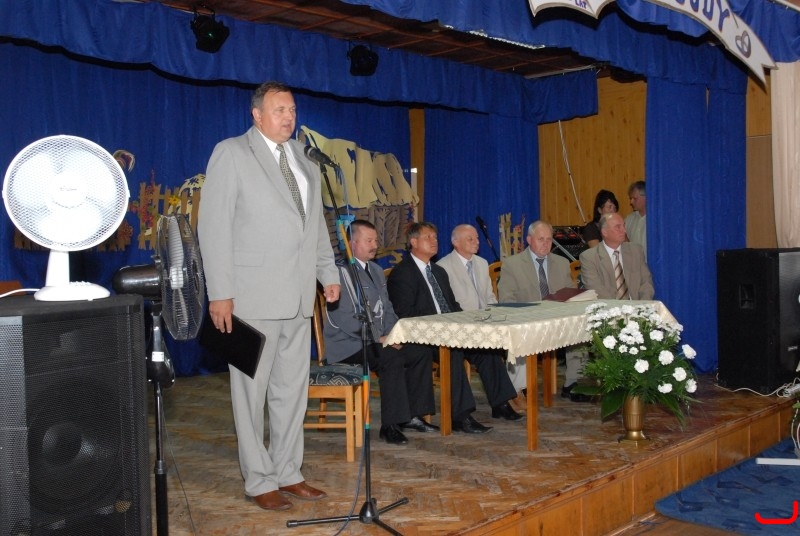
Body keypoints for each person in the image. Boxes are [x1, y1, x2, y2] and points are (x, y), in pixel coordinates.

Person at [198, 81, 341, 512]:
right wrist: (220, 293)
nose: (288, 117)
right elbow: (214, 227)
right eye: (279, 110)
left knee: (291, 392)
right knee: (251, 394)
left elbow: (315, 227)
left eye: (292, 110)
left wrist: (327, 272)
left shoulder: (305, 159)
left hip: (298, 297)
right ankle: (259, 479)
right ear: (257, 115)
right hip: (250, 298)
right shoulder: (231, 153)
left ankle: (288, 471)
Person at [323, 220, 437, 445]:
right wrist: (379, 338)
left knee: (420, 352)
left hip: (377, 341)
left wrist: (395, 334)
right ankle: (391, 425)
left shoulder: (375, 270)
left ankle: (412, 416)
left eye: (375, 240)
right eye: (369, 241)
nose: (375, 245)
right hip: (349, 345)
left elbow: (388, 309)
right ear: (352, 243)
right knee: (391, 357)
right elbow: (344, 319)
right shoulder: (339, 273)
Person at [387, 221, 498, 433]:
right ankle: (461, 417)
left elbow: (452, 305)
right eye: (428, 237)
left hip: (448, 331)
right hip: (421, 336)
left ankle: (502, 403)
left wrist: (466, 324)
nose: (434, 241)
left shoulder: (438, 271)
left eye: (435, 237)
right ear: (413, 242)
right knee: (453, 353)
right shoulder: (403, 273)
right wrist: (440, 327)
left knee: (487, 346)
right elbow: (405, 313)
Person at [437, 224, 523, 420]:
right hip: (459, 328)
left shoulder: (482, 263)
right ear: (455, 242)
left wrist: (495, 315)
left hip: (484, 325)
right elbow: (447, 305)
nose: (476, 242)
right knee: (482, 351)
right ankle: (465, 412)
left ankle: (501, 404)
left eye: (477, 238)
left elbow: (489, 297)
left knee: (491, 352)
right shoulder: (443, 266)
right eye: (470, 239)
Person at [497, 221, 589, 402]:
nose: (546, 244)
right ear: (529, 240)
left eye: (549, 239)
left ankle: (573, 383)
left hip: (557, 320)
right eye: (541, 239)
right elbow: (506, 300)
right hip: (528, 321)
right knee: (519, 334)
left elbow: (570, 294)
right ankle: (518, 389)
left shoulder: (562, 263)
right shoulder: (512, 264)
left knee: (580, 329)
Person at [579, 212, 654, 300]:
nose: (624, 230)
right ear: (604, 232)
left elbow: (646, 283)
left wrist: (642, 305)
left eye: (623, 226)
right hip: (608, 306)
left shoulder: (636, 251)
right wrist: (619, 308)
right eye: (618, 227)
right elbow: (596, 291)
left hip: (637, 305)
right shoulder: (589, 258)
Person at [624, 180, 647, 259]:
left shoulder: (656, 220)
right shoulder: (629, 220)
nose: (631, 202)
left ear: (646, 197)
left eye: (635, 198)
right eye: (631, 198)